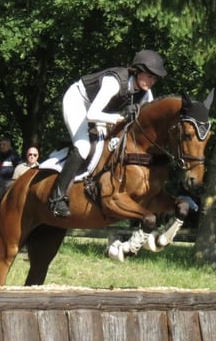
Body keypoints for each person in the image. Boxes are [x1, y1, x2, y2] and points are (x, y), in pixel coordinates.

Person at [49, 49, 167, 217]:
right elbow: (92, 115)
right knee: (83, 147)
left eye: (155, 78)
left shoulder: (145, 92)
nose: (152, 81)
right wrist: (121, 116)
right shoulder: (114, 82)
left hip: (103, 112)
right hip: (80, 103)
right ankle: (57, 198)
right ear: (138, 70)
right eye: (149, 76)